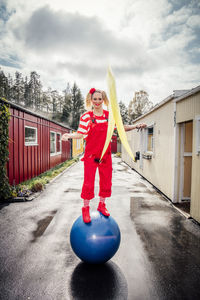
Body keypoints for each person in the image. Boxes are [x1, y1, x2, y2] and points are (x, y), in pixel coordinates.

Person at [62, 88, 146, 223]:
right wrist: (69, 135)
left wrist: (136, 126)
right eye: (94, 99)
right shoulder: (86, 117)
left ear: (104, 100)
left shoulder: (109, 116)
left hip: (105, 155)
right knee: (88, 182)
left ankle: (102, 205)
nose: (97, 102)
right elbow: (81, 133)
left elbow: (121, 127)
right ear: (90, 100)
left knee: (106, 180)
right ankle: (86, 209)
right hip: (90, 155)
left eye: (99, 99)